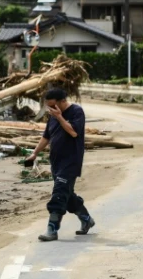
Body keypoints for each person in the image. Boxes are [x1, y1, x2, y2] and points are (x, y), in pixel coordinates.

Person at [25, 88, 95, 242]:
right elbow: (46, 137)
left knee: (59, 193)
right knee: (67, 194)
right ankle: (86, 219)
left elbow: (74, 132)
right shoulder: (53, 116)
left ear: (63, 101)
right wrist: (35, 153)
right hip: (56, 161)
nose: (51, 109)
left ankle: (52, 230)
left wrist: (59, 117)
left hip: (71, 161)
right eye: (49, 107)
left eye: (53, 106)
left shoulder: (77, 112)